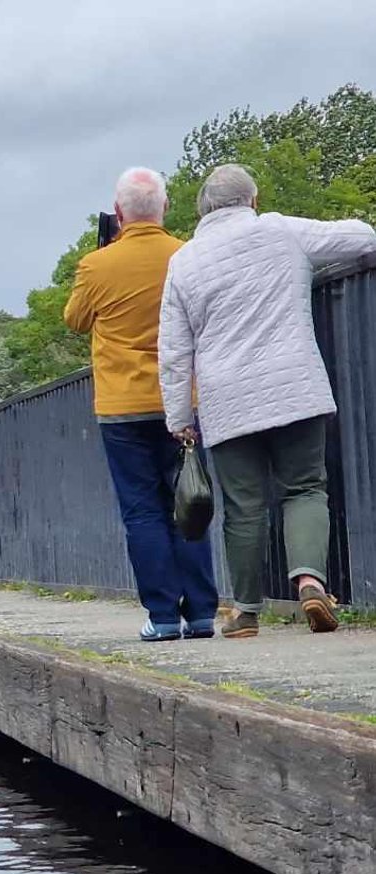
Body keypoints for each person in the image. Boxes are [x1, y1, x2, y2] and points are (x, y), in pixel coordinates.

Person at [159, 163, 376, 637]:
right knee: (305, 488)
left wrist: (179, 416)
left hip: (227, 401)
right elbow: (363, 237)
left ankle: (245, 613)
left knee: (244, 506)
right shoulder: (280, 231)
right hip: (294, 386)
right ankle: (310, 583)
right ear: (253, 200)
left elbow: (174, 350)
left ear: (202, 210)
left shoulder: (184, 261)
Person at [64, 166, 219, 642]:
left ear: (118, 213)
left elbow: (75, 320)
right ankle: (202, 613)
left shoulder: (97, 265)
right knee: (189, 503)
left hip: (122, 407)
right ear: (165, 208)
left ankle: (163, 615)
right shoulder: (187, 255)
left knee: (143, 511)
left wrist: (103, 255)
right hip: (181, 402)